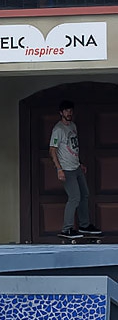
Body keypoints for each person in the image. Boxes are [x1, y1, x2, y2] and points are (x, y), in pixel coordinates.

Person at [50, 101, 101, 239]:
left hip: (76, 167)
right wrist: (59, 169)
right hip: (66, 169)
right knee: (74, 197)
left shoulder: (73, 126)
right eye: (66, 111)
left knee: (85, 194)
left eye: (70, 110)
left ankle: (85, 225)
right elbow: (52, 150)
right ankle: (66, 229)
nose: (69, 113)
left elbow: (73, 147)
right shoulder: (58, 130)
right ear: (61, 113)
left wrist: (80, 163)